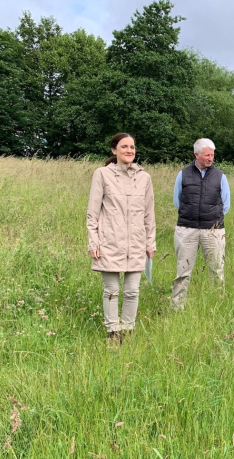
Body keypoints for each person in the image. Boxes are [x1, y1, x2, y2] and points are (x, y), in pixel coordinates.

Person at [86, 132, 156, 345]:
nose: (129, 151)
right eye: (124, 147)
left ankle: (128, 330)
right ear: (114, 150)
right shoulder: (102, 175)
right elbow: (93, 213)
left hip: (136, 243)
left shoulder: (144, 178)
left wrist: (150, 242)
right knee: (111, 291)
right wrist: (93, 241)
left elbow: (149, 214)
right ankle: (112, 333)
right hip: (109, 243)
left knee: (132, 291)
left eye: (132, 147)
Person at [171, 138, 231, 309]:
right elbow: (178, 201)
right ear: (196, 155)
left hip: (213, 231)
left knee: (216, 270)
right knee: (183, 272)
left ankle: (216, 307)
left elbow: (225, 205)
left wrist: (212, 219)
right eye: (206, 155)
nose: (210, 158)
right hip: (186, 230)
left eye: (212, 155)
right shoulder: (183, 174)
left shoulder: (220, 176)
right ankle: (177, 308)